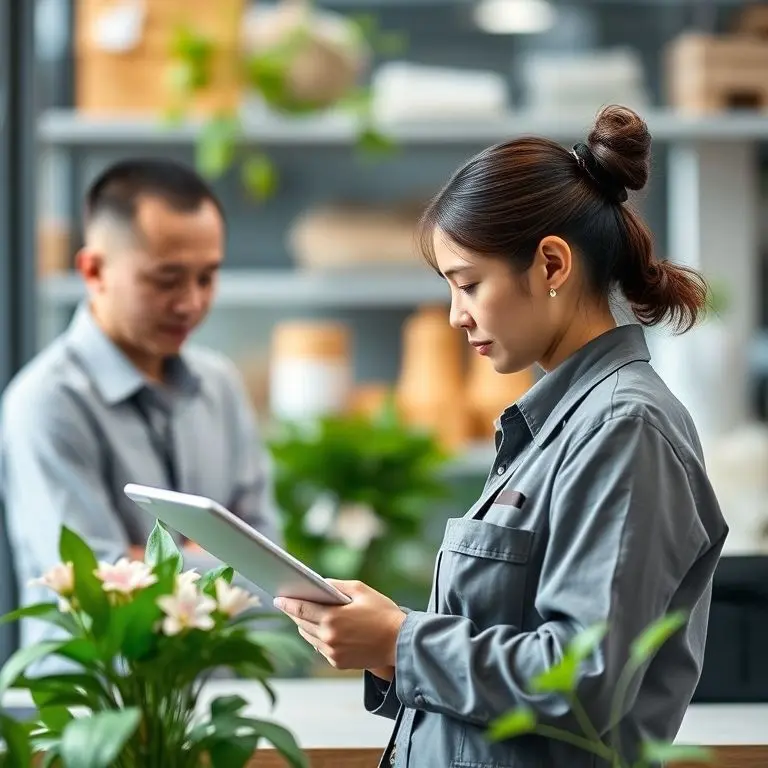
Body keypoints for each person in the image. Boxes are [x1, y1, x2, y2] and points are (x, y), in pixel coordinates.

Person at [274, 105, 728, 767]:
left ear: (550, 265)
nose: (456, 316)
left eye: (468, 284)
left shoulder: (625, 429)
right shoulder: (556, 426)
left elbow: (582, 682)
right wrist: (388, 639)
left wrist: (399, 642)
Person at [1, 158, 282, 650]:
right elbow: (97, 589)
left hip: (208, 697)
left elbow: (274, 574)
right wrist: (215, 560)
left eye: (207, 277)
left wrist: (150, 560)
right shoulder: (46, 403)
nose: (191, 303)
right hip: (95, 713)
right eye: (166, 280)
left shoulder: (219, 385)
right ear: (94, 270)